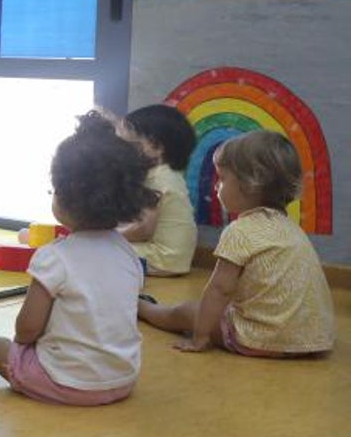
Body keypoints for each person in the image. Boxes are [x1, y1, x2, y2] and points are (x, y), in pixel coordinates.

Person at [0, 111, 156, 406]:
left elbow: (26, 330)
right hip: (122, 380)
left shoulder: (55, 258)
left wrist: (30, 348)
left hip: (65, 383)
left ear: (63, 196)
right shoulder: (127, 254)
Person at [137, 131, 334, 357]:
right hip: (312, 340)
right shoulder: (292, 230)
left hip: (261, 340)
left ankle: (142, 307)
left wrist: (200, 336)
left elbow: (220, 289)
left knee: (188, 311)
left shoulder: (240, 230)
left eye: (222, 178)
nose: (216, 187)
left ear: (251, 184)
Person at [118, 104, 198, 275]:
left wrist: (107, 235)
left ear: (156, 147)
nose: (122, 152)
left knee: (97, 249)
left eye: (129, 145)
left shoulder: (158, 179)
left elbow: (143, 229)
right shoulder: (168, 175)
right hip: (172, 258)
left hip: (163, 258)